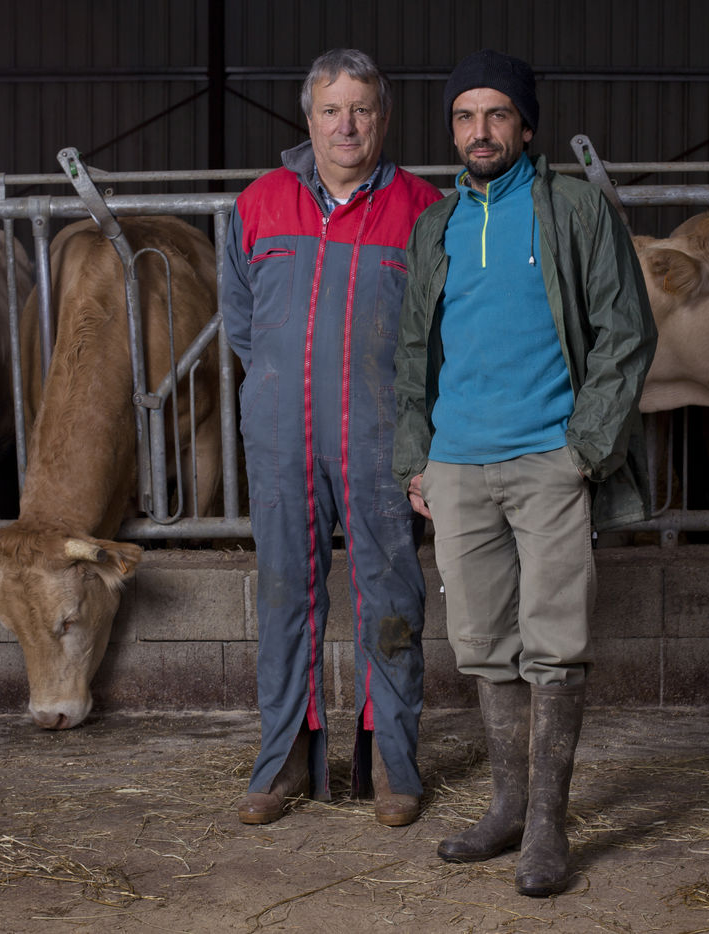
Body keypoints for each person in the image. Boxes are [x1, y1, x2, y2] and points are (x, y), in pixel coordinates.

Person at [393, 49, 656, 895]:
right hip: (458, 466)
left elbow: (626, 331)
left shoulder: (573, 207)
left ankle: (547, 823)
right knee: (481, 645)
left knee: (555, 645)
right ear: (452, 130)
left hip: (549, 460)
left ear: (526, 125)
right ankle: (507, 808)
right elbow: (412, 351)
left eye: (497, 114)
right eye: (465, 116)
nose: (480, 131)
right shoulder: (436, 225)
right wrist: (417, 459)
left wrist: (585, 449)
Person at [222, 49, 443, 828]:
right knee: (286, 593)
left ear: (383, 118)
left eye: (361, 109)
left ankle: (392, 763)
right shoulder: (259, 203)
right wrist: (278, 392)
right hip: (282, 438)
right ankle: (284, 758)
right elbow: (244, 325)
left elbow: (440, 336)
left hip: (383, 437)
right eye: (331, 109)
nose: (346, 125)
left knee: (392, 598)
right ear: (308, 118)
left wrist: (423, 441)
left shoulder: (423, 208)